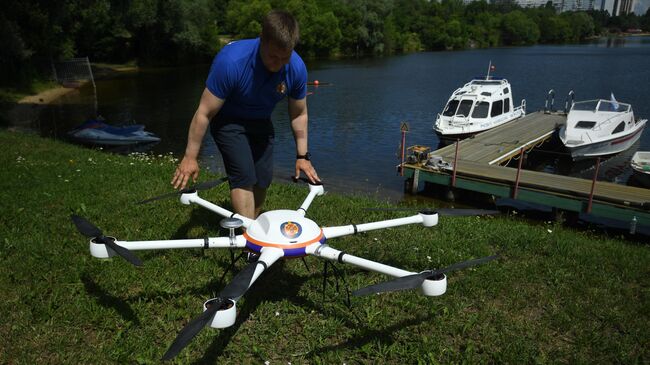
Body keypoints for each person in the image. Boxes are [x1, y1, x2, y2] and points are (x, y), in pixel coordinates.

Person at [171, 10, 320, 219]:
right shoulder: (232, 62)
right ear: (262, 40)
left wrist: (302, 156)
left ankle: (251, 228)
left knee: (262, 179)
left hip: (261, 122)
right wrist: (190, 157)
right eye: (272, 56)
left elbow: (299, 114)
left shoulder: (296, 67)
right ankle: (249, 240)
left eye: (283, 58)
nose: (277, 64)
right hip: (228, 121)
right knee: (244, 176)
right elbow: (204, 113)